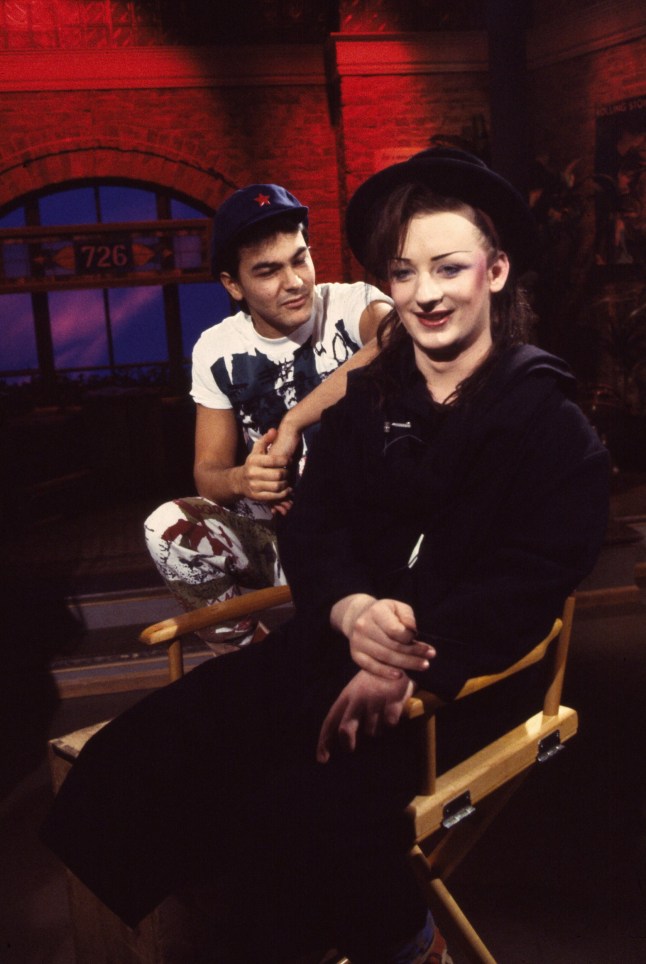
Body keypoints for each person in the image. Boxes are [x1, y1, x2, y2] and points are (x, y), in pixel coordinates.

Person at [41, 149, 610, 964]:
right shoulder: (366, 405)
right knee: (146, 753)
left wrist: (404, 659)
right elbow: (315, 528)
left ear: (496, 271)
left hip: (464, 675)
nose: (426, 293)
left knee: (294, 811)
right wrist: (347, 608)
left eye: (450, 267)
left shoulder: (552, 425)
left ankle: (405, 942)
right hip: (335, 638)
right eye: (404, 272)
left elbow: (532, 579)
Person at [144, 183, 392, 651]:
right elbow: (208, 473)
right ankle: (257, 663)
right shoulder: (217, 348)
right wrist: (244, 479)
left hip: (372, 536)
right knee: (166, 528)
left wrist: (297, 418)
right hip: (286, 540)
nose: (295, 281)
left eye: (300, 259)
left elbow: (400, 339)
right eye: (268, 271)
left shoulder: (353, 304)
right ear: (233, 285)